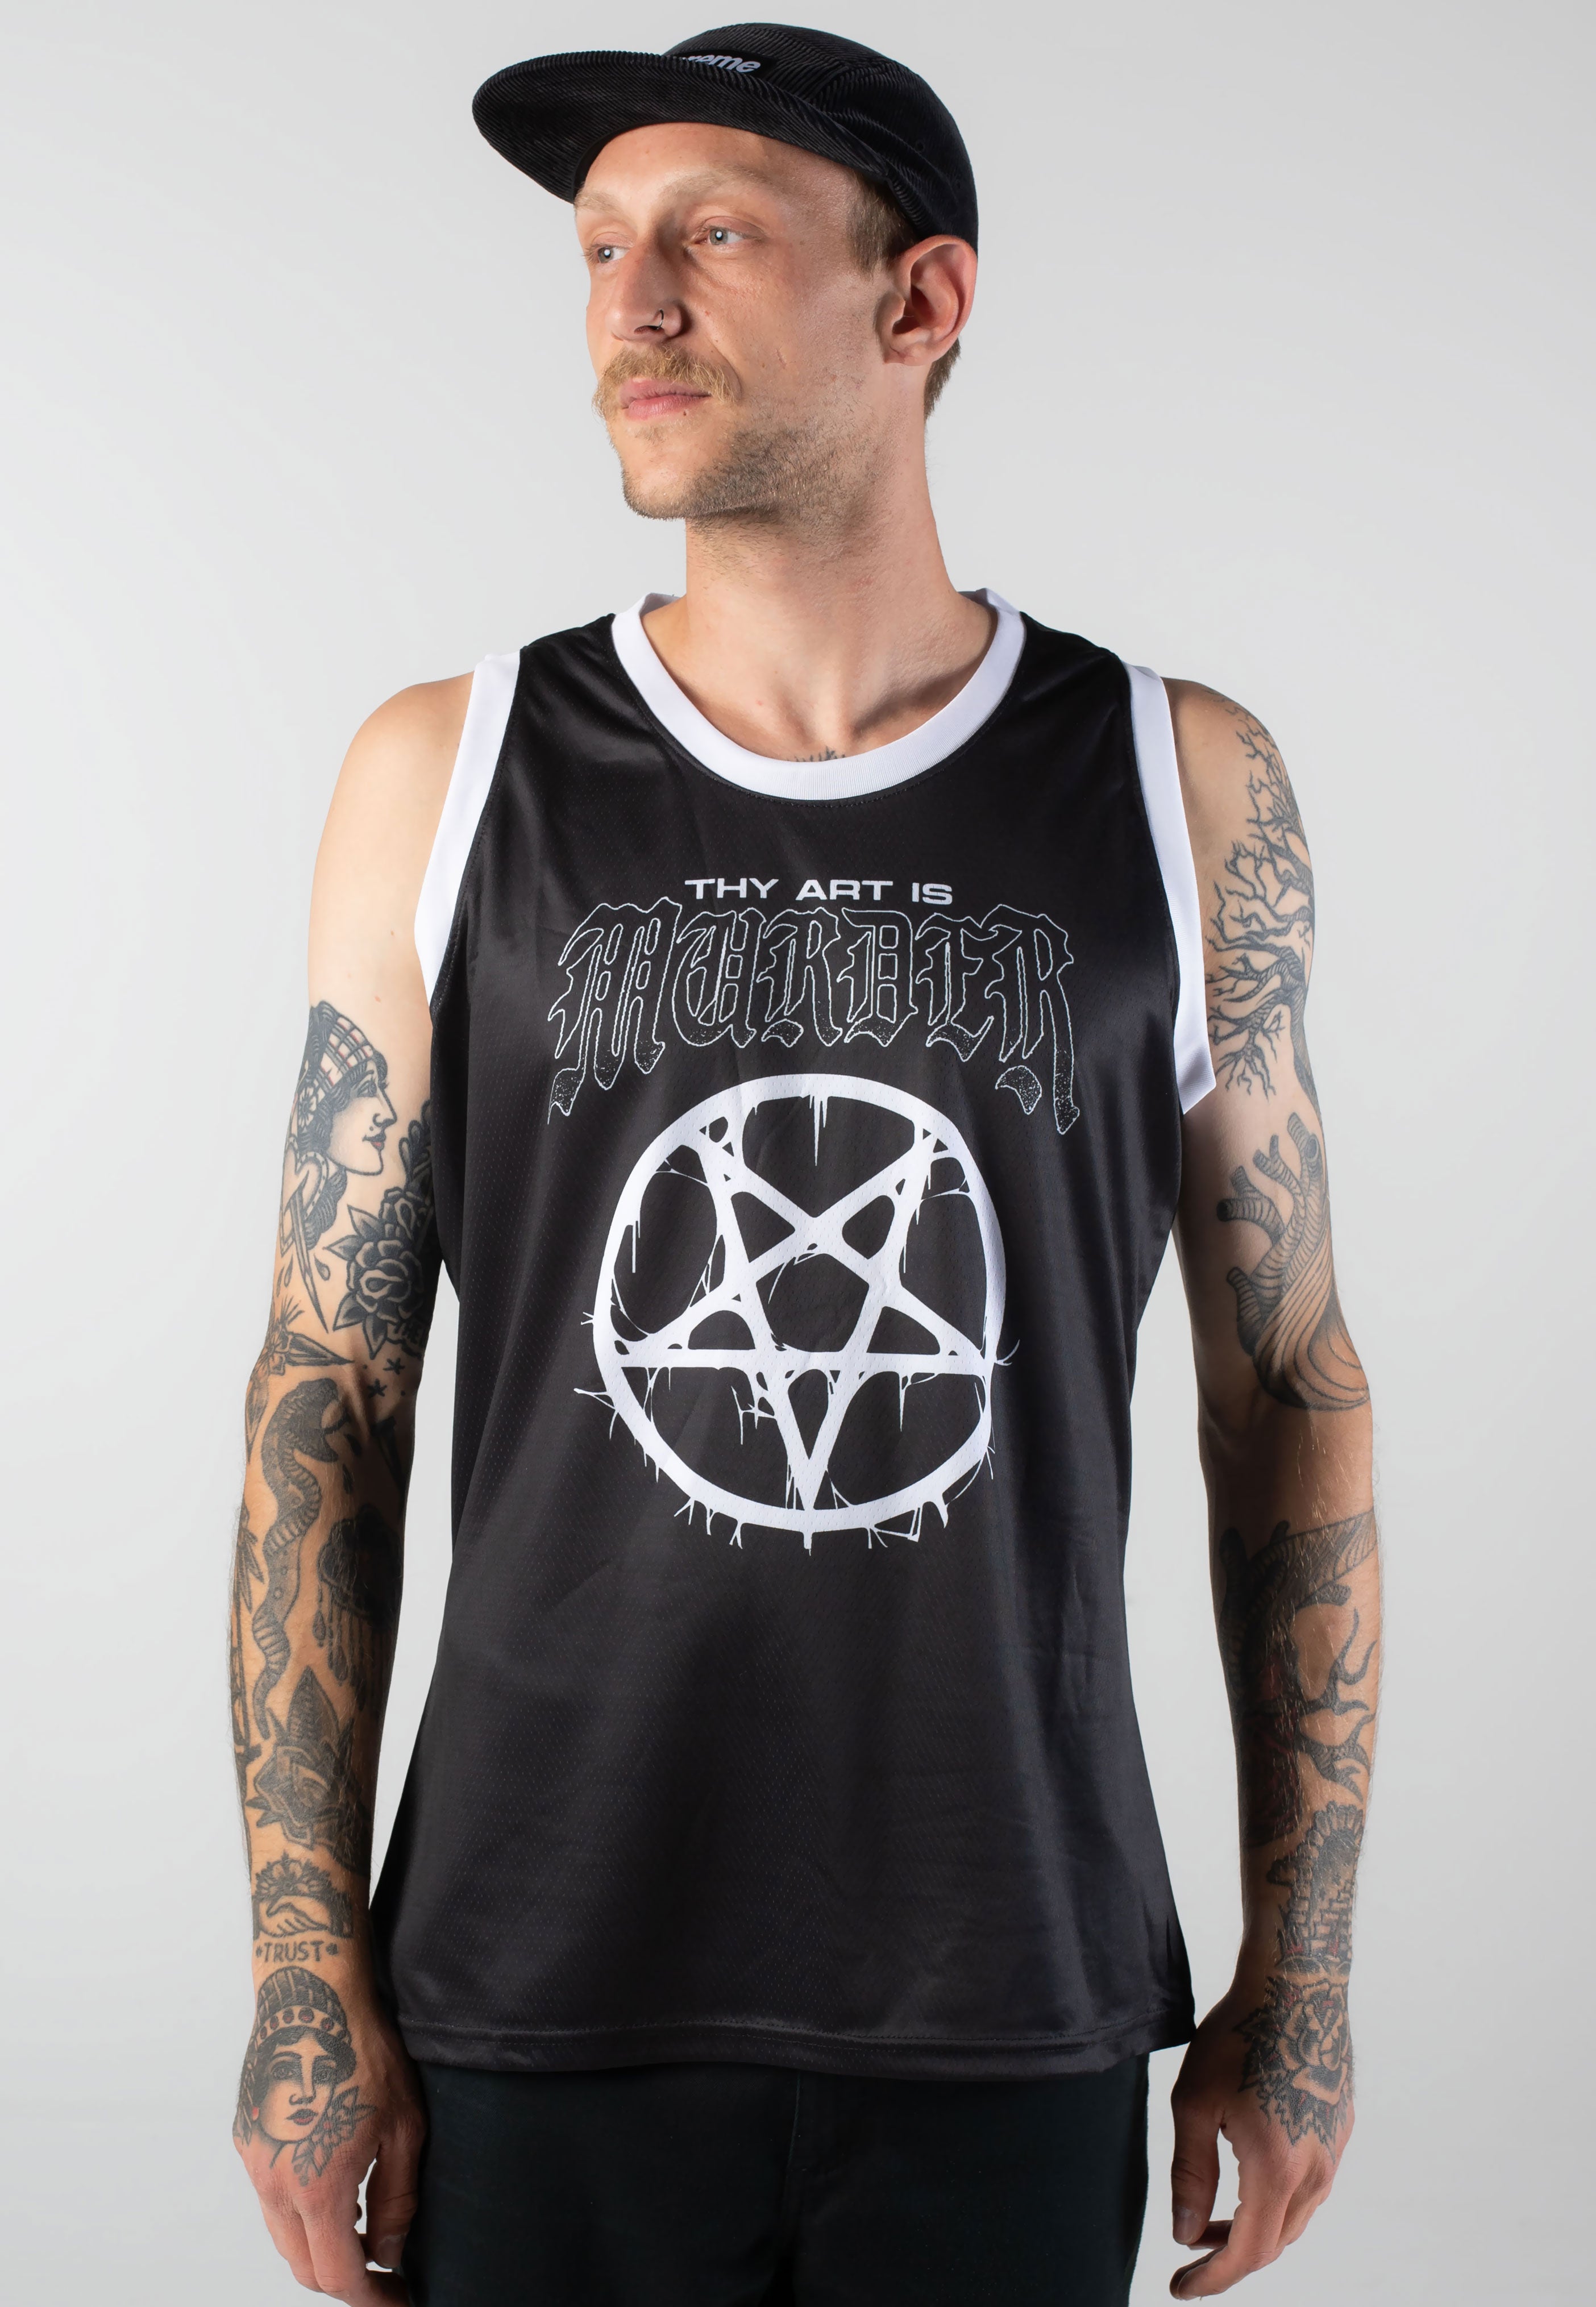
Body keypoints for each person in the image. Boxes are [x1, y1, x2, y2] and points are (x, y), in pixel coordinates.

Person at [228, 24, 1379, 2306]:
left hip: (1014, 1977)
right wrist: (299, 1963)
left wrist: (1308, 1974)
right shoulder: (448, 773)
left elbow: (1290, 1386)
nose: (630, 305)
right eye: (599, 249)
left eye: (717, 237)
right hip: (531, 1983)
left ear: (920, 299)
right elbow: (327, 1391)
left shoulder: (1180, 783)